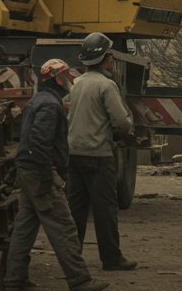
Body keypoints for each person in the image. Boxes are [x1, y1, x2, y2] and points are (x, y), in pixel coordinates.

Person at [6, 59, 108, 291]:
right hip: (40, 172)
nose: (68, 80)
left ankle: (14, 280)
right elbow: (40, 143)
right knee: (63, 227)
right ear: (57, 79)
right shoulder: (51, 106)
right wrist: (47, 178)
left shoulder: (39, 101)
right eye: (65, 76)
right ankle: (80, 281)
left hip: (27, 171)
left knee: (25, 228)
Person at [66, 33, 138, 271]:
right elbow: (122, 122)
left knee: (75, 211)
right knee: (105, 209)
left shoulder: (76, 84)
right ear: (106, 58)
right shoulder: (106, 85)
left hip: (75, 156)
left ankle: (72, 259)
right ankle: (111, 258)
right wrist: (127, 128)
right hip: (99, 156)